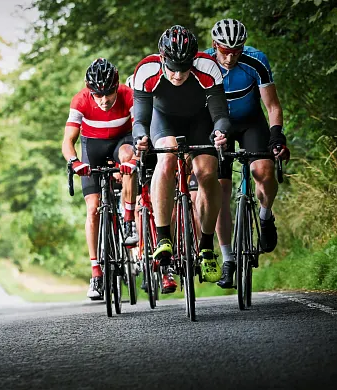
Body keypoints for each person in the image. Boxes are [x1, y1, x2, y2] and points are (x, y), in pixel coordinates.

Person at [131, 25, 231, 284]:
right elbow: (140, 118)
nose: (177, 75)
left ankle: (207, 246)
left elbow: (220, 114)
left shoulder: (207, 67)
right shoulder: (146, 70)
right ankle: (164, 237)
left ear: (193, 60)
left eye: (184, 68)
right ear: (162, 59)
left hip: (199, 121)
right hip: (162, 120)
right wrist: (140, 138)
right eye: (172, 67)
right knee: (166, 155)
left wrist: (220, 132)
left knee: (207, 173)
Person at [205, 19, 291, 289]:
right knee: (219, 190)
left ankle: (265, 216)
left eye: (236, 50)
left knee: (262, 172)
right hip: (218, 128)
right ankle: (228, 258)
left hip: (251, 122)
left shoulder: (256, 60)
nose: (230, 57)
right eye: (224, 50)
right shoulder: (204, 64)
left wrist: (276, 135)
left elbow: (273, 105)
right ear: (214, 45)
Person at [62, 58, 139, 300]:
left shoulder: (128, 95)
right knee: (93, 209)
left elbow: (140, 129)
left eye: (108, 93)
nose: (104, 100)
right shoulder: (80, 100)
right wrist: (75, 163)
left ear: (117, 87)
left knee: (128, 158)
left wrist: (135, 158)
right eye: (98, 94)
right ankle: (96, 273)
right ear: (90, 91)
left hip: (121, 142)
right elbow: (68, 141)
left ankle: (128, 220)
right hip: (92, 147)